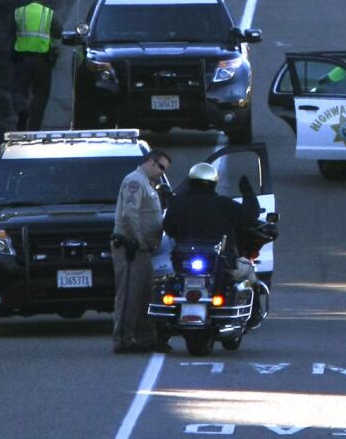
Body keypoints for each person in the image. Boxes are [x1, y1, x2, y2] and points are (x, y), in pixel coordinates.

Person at [162, 162, 262, 289]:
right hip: (219, 264)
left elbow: (168, 227)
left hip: (182, 261)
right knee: (249, 276)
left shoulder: (178, 203)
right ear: (214, 183)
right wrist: (248, 192)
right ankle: (256, 309)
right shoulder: (225, 204)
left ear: (191, 182)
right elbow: (251, 215)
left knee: (162, 282)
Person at [112, 149, 170, 354]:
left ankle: (145, 338)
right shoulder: (134, 181)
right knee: (129, 294)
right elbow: (129, 214)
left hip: (144, 250)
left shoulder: (149, 184)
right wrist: (138, 240)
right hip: (131, 248)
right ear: (152, 162)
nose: (162, 173)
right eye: (161, 167)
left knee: (145, 295)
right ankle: (123, 340)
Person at [11, 0, 61, 130]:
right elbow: (59, 32)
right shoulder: (48, 13)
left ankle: (22, 111)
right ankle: (34, 128)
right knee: (40, 95)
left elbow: (12, 34)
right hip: (43, 61)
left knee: (19, 90)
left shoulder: (19, 13)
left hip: (22, 59)